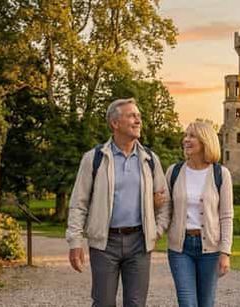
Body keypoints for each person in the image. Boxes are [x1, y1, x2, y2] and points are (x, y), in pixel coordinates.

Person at [66, 98, 169, 307]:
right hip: (105, 243)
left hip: (139, 242)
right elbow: (79, 203)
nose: (138, 120)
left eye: (138, 116)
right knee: (103, 302)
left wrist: (155, 231)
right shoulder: (94, 158)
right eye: (132, 116)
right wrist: (75, 242)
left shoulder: (150, 159)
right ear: (115, 123)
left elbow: (164, 201)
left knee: (136, 303)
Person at [164, 121, 234, 307]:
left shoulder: (221, 174)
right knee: (187, 303)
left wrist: (225, 252)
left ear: (205, 141)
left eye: (192, 136)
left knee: (206, 303)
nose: (186, 140)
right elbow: (165, 210)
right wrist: (155, 231)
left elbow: (226, 216)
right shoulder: (174, 171)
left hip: (210, 249)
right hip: (180, 248)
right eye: (185, 135)